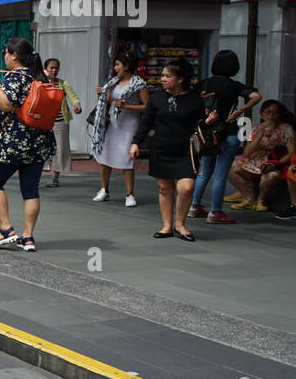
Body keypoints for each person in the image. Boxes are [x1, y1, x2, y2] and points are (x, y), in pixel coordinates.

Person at [129, 58, 218, 242]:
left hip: (186, 150)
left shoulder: (194, 99)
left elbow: (201, 126)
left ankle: (180, 224)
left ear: (181, 78)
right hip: (161, 148)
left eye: (168, 76)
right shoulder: (157, 98)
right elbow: (146, 122)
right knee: (164, 188)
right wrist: (136, 142)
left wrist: (208, 122)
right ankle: (167, 226)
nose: (163, 79)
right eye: (162, 75)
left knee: (186, 188)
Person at [0, 38, 55, 252]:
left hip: (14, 142)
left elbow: (5, 105)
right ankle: (28, 237)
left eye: (6, 52)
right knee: (30, 190)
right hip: (38, 142)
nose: (4, 56)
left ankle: (6, 229)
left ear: (14, 55)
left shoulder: (15, 78)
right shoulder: (37, 77)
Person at [189, 50, 263, 223]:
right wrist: (241, 110)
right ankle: (215, 213)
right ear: (234, 66)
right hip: (228, 133)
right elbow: (256, 96)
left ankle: (194, 206)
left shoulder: (203, 84)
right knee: (220, 175)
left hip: (207, 133)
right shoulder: (234, 85)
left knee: (204, 172)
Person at [89, 51, 148, 207]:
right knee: (105, 155)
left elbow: (147, 106)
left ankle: (129, 194)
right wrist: (102, 95)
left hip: (129, 124)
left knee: (127, 158)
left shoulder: (139, 83)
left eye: (117, 64)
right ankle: (104, 189)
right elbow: (109, 101)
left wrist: (126, 105)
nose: (115, 68)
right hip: (112, 123)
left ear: (127, 66)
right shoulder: (113, 82)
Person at [228, 100, 296, 212]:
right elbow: (247, 153)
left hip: (275, 162)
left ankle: (261, 200)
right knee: (232, 168)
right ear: (261, 114)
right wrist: (260, 134)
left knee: (271, 176)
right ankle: (250, 199)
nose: (271, 116)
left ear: (279, 115)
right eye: (268, 112)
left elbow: (292, 152)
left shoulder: (286, 129)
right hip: (256, 162)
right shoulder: (256, 128)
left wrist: (276, 164)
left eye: (275, 113)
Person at [42, 58, 82, 188]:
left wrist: (77, 105)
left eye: (56, 68)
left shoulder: (63, 83)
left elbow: (73, 96)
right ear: (45, 69)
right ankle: (36, 175)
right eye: (51, 68)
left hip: (60, 122)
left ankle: (55, 178)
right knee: (41, 149)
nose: (54, 70)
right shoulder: (40, 83)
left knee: (60, 149)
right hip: (42, 123)